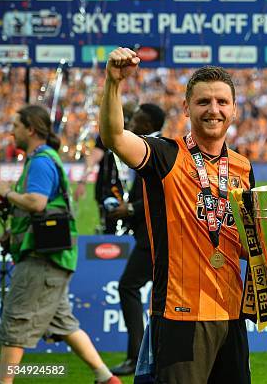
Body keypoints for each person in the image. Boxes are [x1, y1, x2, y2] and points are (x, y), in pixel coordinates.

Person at [99, 47, 255, 383]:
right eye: (203, 102)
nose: (213, 109)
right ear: (186, 108)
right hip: (180, 315)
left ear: (234, 109)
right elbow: (114, 136)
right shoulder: (165, 155)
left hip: (231, 315)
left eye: (222, 102)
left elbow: (244, 243)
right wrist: (113, 83)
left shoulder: (243, 167)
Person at [0, 105, 120, 384]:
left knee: (15, 323)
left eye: (16, 125)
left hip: (42, 260)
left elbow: (37, 202)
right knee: (63, 323)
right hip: (52, 256)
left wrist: (6, 192)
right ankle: (106, 378)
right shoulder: (43, 159)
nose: (12, 131)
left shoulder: (40, 161)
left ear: (30, 129)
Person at [108, 103, 165, 376]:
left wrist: (130, 209)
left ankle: (136, 356)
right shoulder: (148, 144)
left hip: (152, 239)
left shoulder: (154, 146)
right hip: (151, 236)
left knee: (128, 287)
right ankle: (154, 356)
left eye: (138, 118)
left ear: (148, 122)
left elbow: (161, 195)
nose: (133, 121)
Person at [74, 102, 138, 234]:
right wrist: (83, 180)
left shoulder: (131, 136)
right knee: (113, 228)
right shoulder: (108, 135)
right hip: (109, 190)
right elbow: (93, 158)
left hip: (125, 189)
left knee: (125, 228)